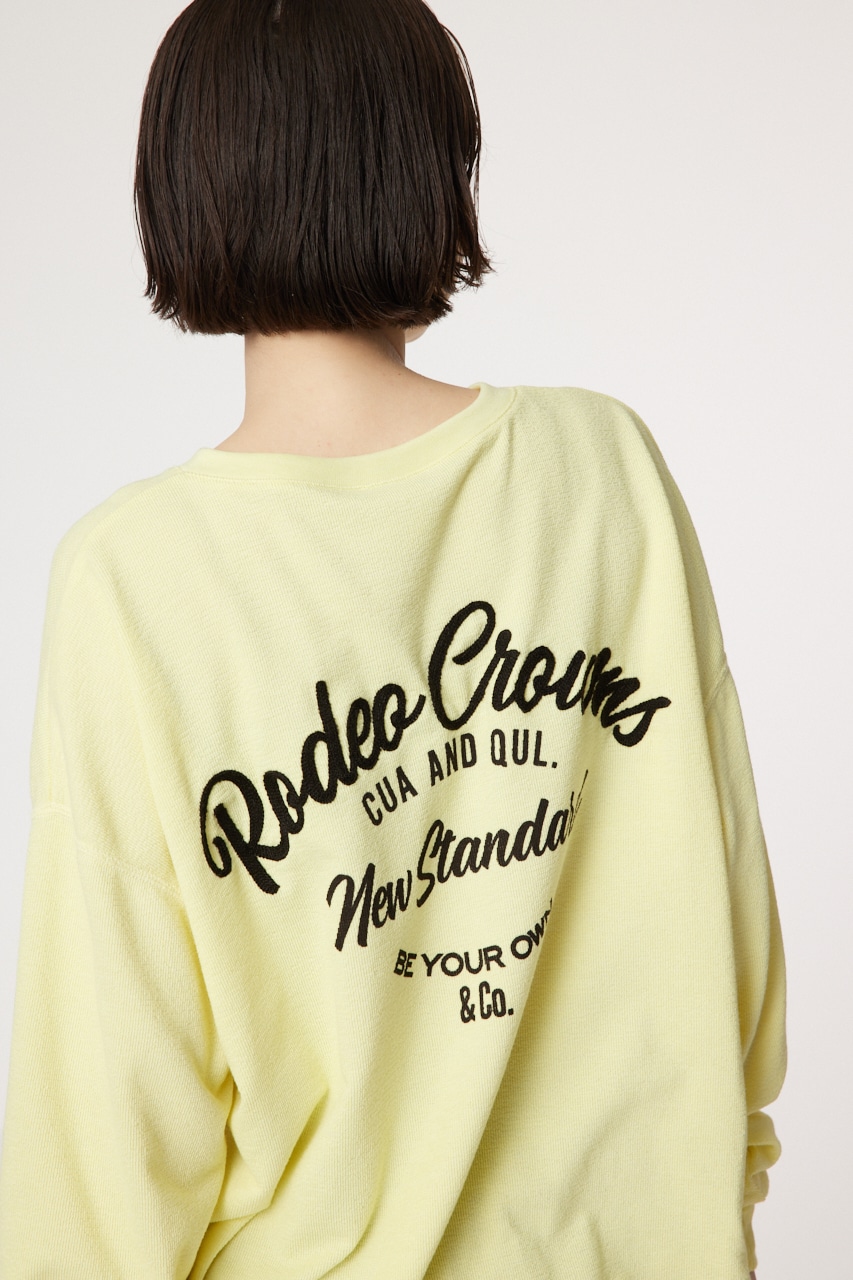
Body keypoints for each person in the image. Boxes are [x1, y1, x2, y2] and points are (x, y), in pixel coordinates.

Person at [0, 0, 785, 1276]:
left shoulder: (130, 575)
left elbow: (108, 1112)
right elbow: (726, 922)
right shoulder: (602, 470)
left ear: (182, 185)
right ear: (429, 171)